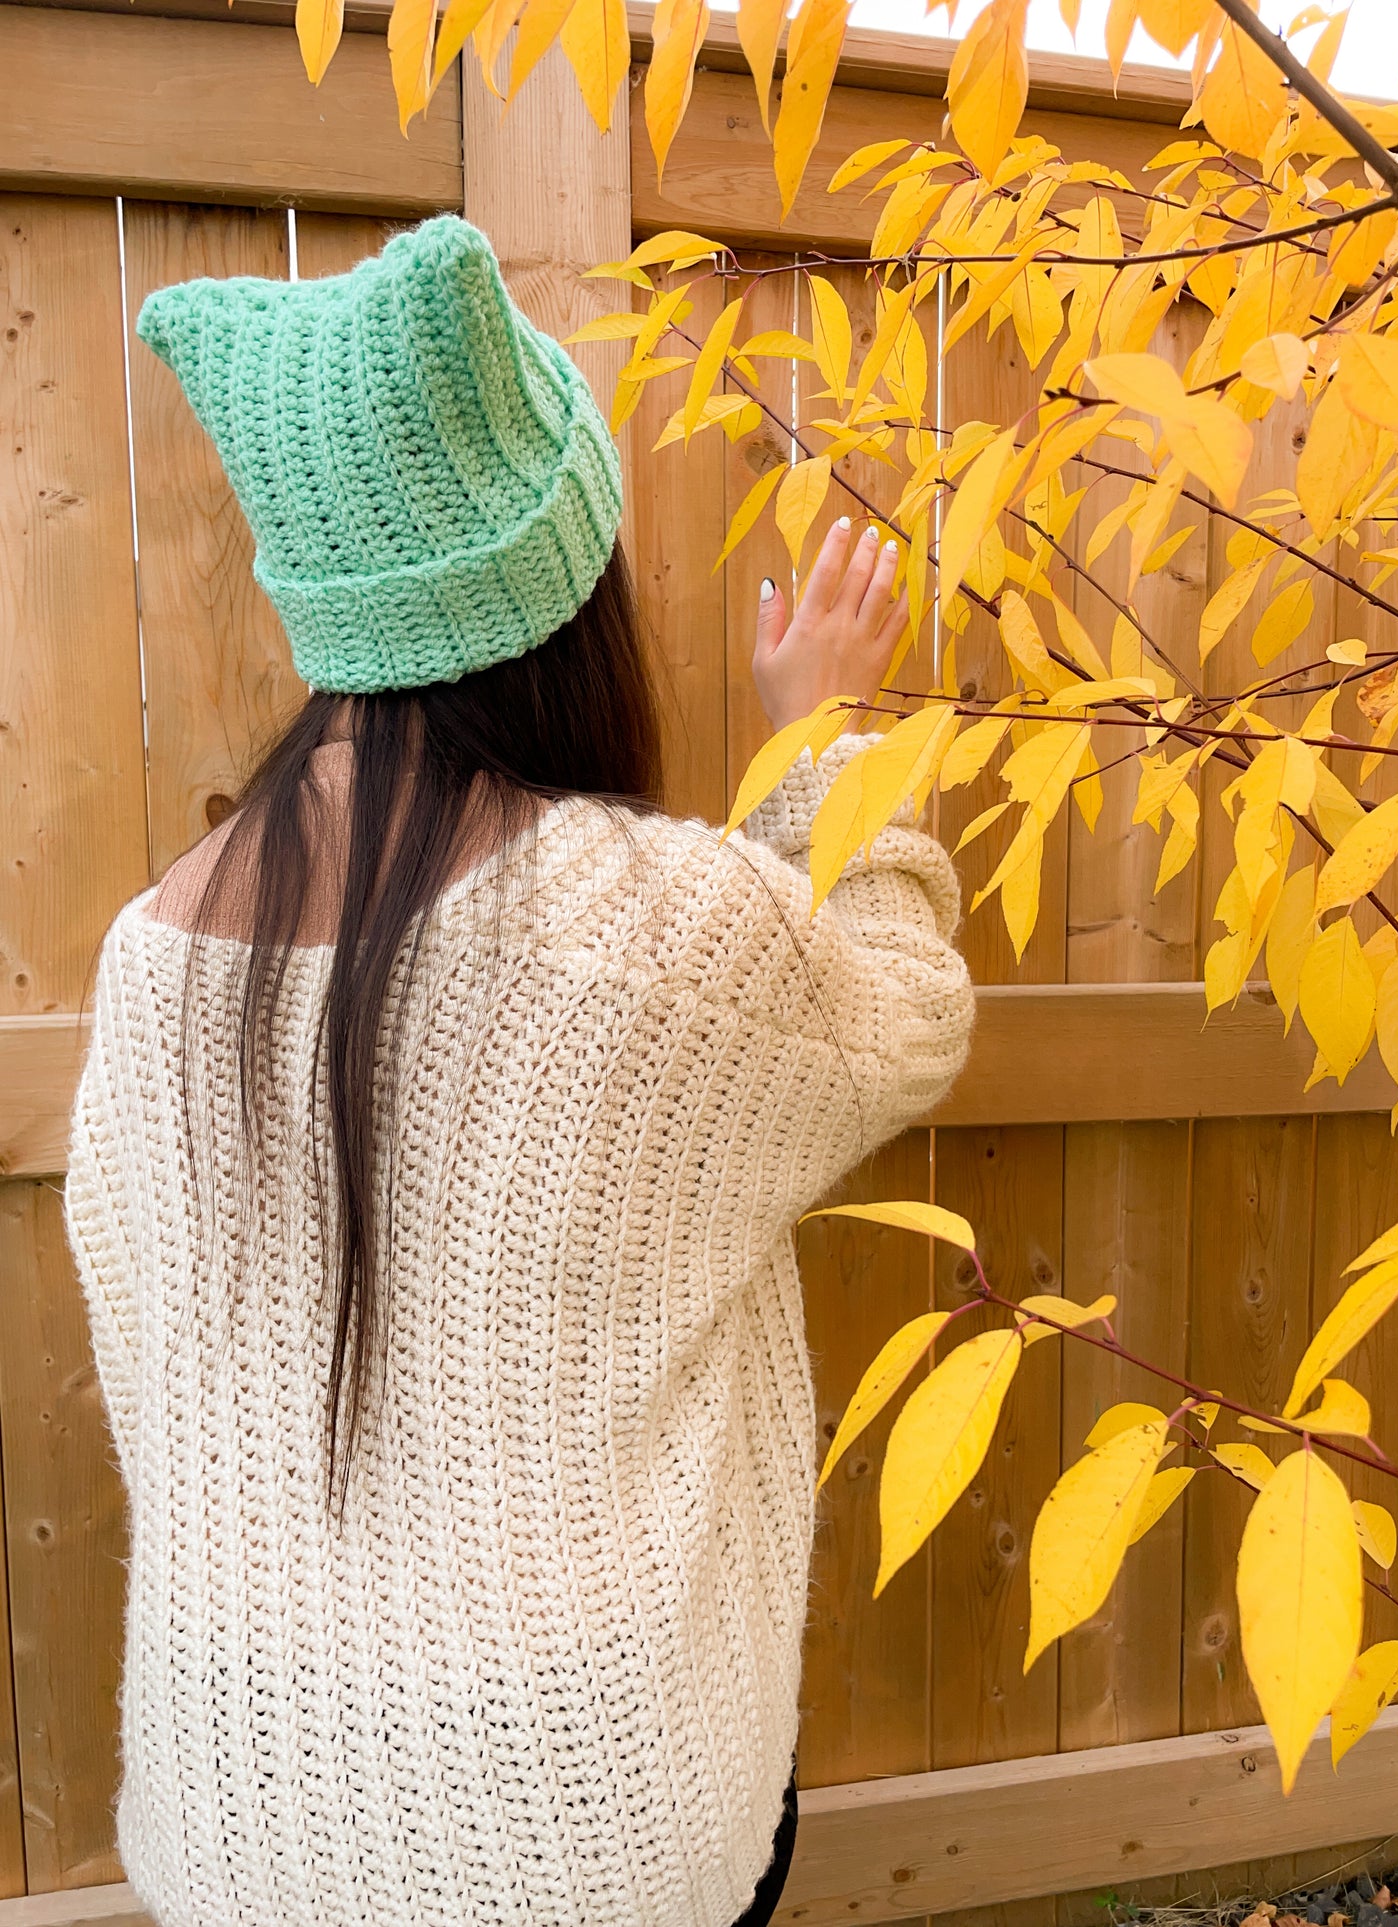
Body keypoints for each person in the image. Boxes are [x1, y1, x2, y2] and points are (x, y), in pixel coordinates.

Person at [64, 214, 976, 1927]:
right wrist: (824, 748)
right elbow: (904, 1008)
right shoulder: (652, 924)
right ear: (564, 596)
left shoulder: (147, 952)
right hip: (578, 1825)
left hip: (238, 1816)